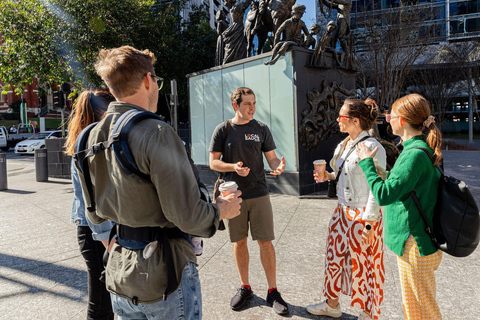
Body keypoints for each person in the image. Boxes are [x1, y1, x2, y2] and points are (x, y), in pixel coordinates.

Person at [77, 45, 242, 320]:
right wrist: (221, 211)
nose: (157, 86)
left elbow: (93, 215)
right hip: (165, 273)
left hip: (120, 270)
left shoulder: (88, 137)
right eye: (156, 80)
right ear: (147, 80)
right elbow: (187, 216)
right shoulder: (156, 132)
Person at [356, 93, 443, 320]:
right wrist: (383, 173)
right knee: (414, 308)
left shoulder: (413, 154)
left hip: (414, 243)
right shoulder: (414, 149)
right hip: (414, 242)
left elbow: (384, 195)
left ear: (402, 121)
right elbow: (405, 186)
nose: (387, 118)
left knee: (424, 310)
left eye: (390, 115)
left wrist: (366, 163)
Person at [209, 87, 289, 315]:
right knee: (239, 242)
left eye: (254, 103)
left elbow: (272, 159)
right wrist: (232, 166)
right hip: (233, 197)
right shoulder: (223, 130)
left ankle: (273, 291)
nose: (252, 107)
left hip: (259, 193)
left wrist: (278, 167)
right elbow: (213, 163)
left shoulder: (261, 129)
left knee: (265, 242)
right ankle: (245, 287)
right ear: (236, 106)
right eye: (247, 104)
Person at [306, 98, 386, 320]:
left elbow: (375, 189)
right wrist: (327, 176)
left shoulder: (373, 148)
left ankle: (369, 314)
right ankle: (332, 304)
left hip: (363, 215)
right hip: (341, 211)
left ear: (355, 120)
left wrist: (370, 222)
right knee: (334, 259)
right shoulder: (344, 144)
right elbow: (340, 174)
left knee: (366, 265)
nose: (337, 120)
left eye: (341, 116)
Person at [64, 91, 116, 320]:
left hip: (94, 229)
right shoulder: (91, 143)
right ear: (105, 113)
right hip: (96, 231)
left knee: (107, 301)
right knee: (102, 303)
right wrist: (106, 238)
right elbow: (89, 196)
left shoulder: (86, 139)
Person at [222, 0, 252, 64]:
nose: (225, 4)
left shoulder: (239, 4)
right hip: (234, 28)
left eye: (225, 1)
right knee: (229, 46)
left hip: (238, 28)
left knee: (237, 47)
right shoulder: (233, 7)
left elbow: (247, 2)